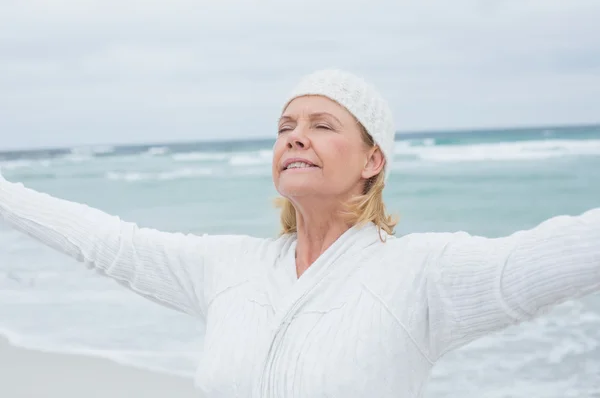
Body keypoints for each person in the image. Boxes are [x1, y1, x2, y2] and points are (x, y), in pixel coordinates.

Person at [0, 68, 598, 398]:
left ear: (372, 160)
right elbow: (107, 242)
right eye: (285, 126)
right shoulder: (226, 267)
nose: (294, 136)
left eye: (322, 124)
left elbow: (558, 252)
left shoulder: (424, 272)